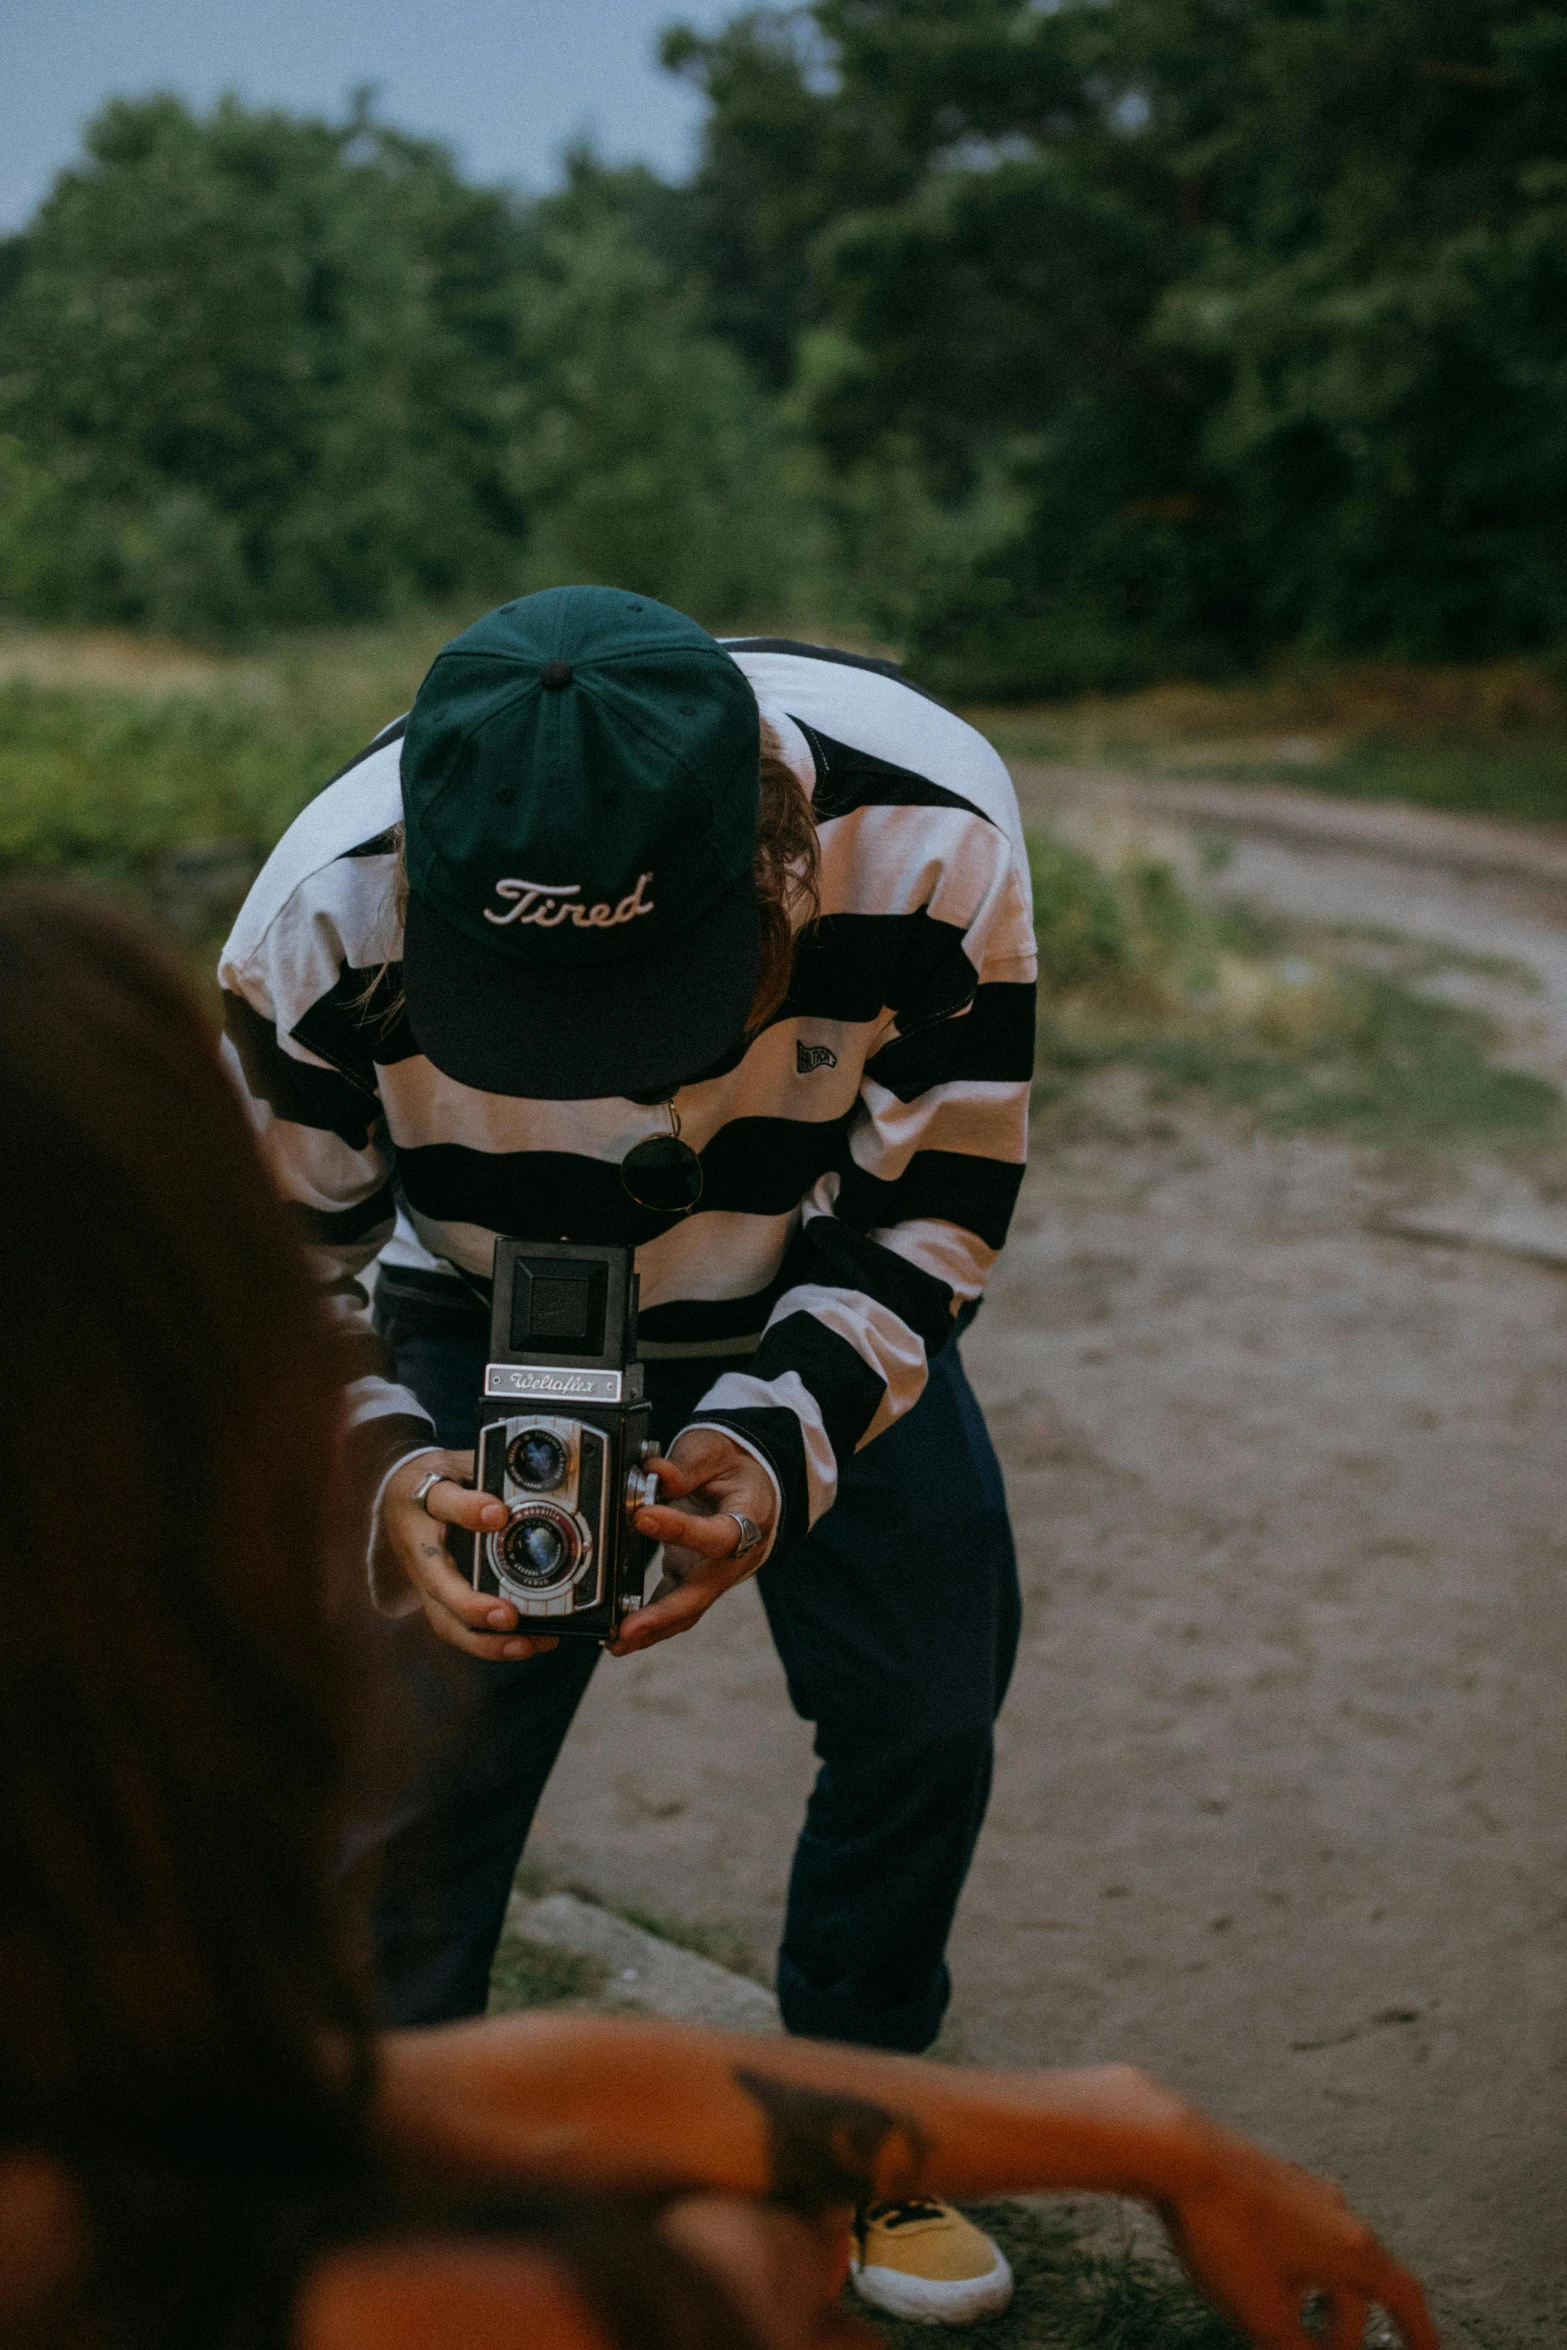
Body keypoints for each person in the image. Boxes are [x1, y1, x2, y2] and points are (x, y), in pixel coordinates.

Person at [0, 883, 1437, 2350]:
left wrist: (1130, 2130)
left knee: (919, 1705)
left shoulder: (83, 1944)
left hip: (796, 1326)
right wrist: (743, 2249)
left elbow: (407, 2099)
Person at [220, 587, 1035, 2318]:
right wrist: (384, 1471)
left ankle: (857, 2136)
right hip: (475, 1296)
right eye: (533, 1008)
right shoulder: (316, 911)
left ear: (782, 864)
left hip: (816, 1289)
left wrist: (780, 1441)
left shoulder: (937, 832)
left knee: (925, 1706)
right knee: (425, 1756)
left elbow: (935, 1203)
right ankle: (397, 2168)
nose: (601, 1075)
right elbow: (267, 1272)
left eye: (643, 999)